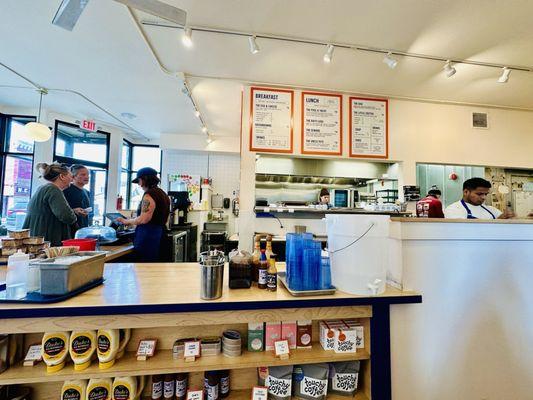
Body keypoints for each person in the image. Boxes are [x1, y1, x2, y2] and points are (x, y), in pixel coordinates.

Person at [116, 167, 170, 262]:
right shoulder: (162, 193)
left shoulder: (149, 195)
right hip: (161, 233)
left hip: (149, 236)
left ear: (144, 180)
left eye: (139, 180)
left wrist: (126, 221)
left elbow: (144, 219)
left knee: (146, 268)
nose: (139, 184)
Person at [22, 163, 77, 246]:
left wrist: (73, 211)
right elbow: (66, 216)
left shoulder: (42, 188)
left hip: (36, 238)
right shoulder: (53, 190)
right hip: (48, 239)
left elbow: (48, 212)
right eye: (71, 176)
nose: (72, 180)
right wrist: (73, 215)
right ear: (62, 176)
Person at [444, 177, 515, 219]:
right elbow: (466, 231)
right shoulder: (453, 209)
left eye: (486, 194)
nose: (484, 197)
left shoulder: (491, 210)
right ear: (466, 192)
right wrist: (498, 222)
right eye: (479, 194)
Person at [63, 164, 91, 231]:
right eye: (83, 175)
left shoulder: (86, 192)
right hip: (69, 229)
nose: (87, 177)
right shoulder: (66, 190)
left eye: (87, 174)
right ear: (73, 177)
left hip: (83, 229)